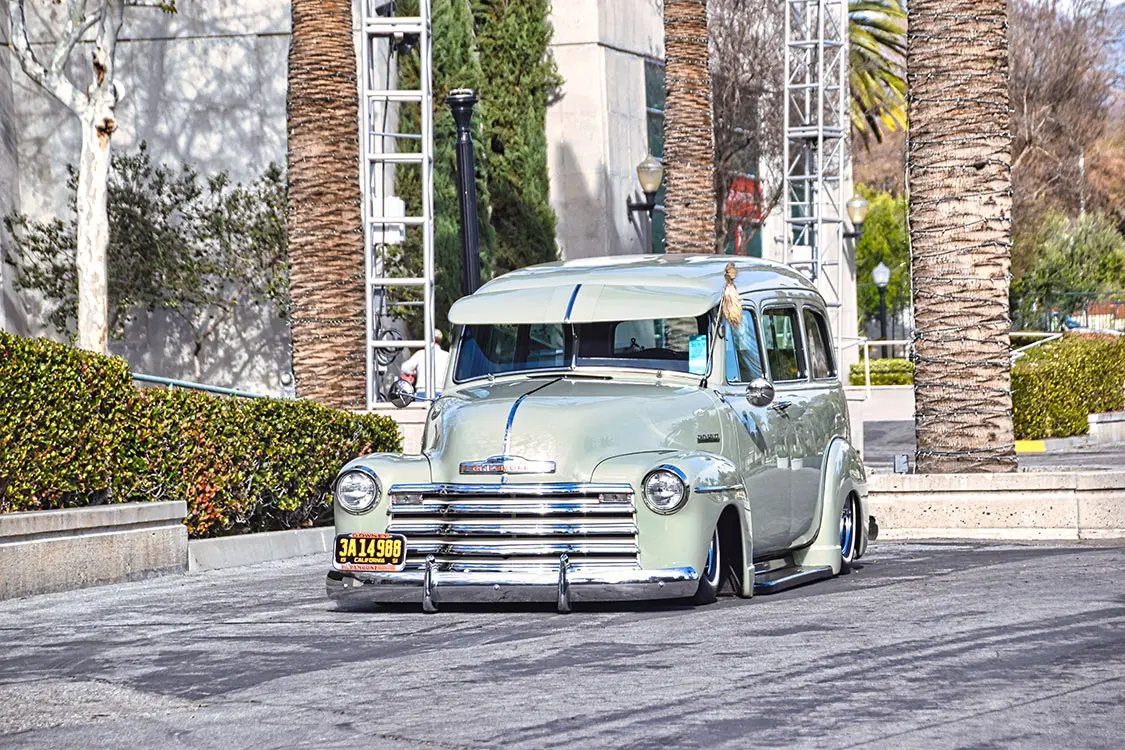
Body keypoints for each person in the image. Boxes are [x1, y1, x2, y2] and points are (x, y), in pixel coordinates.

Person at [399, 329, 450, 397]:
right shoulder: (447, 355)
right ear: (440, 340)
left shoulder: (420, 353)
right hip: (441, 392)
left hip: (422, 391)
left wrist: (415, 372)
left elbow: (404, 368)